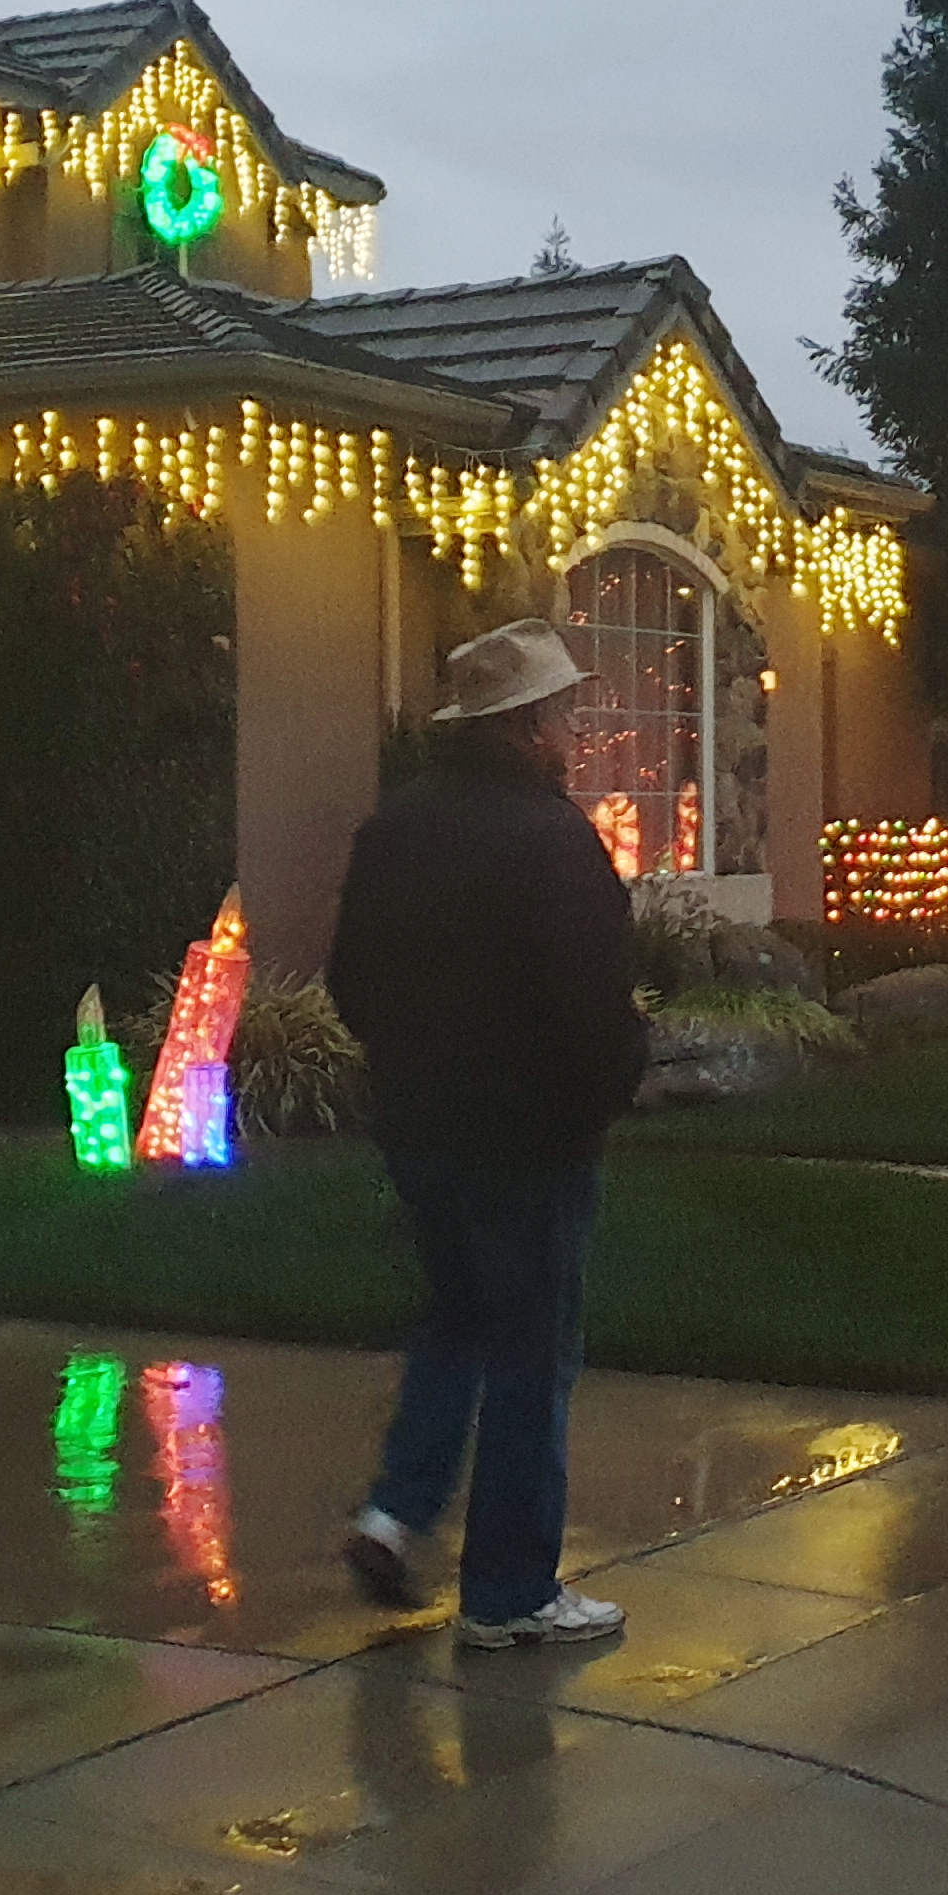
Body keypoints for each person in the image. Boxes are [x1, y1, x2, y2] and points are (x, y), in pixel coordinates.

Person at [328, 619, 650, 1647]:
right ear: (522, 728)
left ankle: (395, 1510)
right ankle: (512, 1591)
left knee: (457, 1320)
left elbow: (350, 981)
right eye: (559, 713)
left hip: (421, 1132)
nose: (571, 729)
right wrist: (605, 1092)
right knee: (530, 1352)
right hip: (530, 1142)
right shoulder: (551, 841)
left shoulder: (395, 831)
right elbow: (590, 1006)